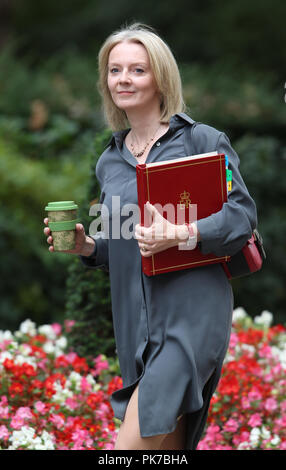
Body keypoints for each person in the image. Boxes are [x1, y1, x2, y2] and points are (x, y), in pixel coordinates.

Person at [43, 23, 257, 450]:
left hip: (192, 314)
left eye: (137, 70)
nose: (124, 79)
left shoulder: (203, 141)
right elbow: (122, 241)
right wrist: (88, 245)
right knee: (166, 447)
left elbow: (242, 216)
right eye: (115, 70)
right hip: (135, 324)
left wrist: (181, 232)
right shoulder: (110, 159)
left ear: (160, 77)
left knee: (131, 446)